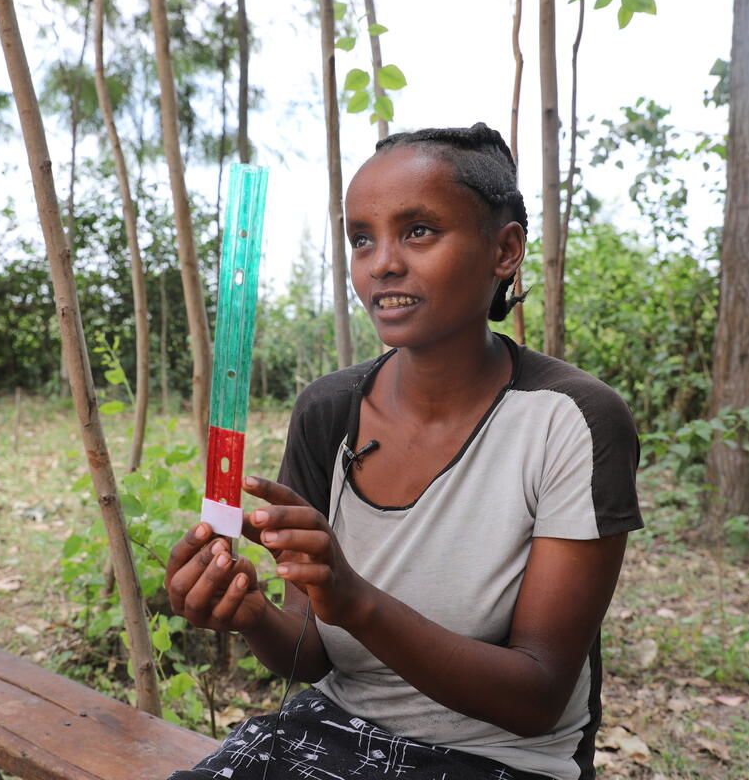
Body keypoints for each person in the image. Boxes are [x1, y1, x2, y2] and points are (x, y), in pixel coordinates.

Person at [165, 123, 642, 780]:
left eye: (418, 231)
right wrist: (249, 614)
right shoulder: (329, 412)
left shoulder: (572, 421)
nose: (382, 261)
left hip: (497, 761)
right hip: (329, 734)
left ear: (505, 251)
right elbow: (311, 653)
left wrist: (356, 599)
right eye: (363, 238)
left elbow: (536, 696)